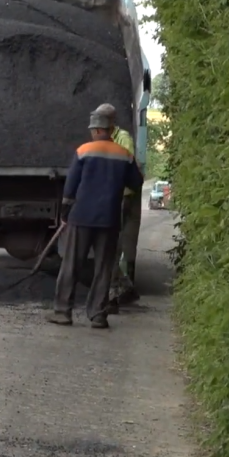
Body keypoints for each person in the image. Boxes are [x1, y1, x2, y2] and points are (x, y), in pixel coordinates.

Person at [49, 112, 143, 329]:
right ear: (111, 130)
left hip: (81, 216)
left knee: (71, 264)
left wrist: (64, 211)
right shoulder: (124, 154)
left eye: (92, 130)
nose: (91, 133)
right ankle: (98, 315)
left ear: (99, 130)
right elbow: (136, 182)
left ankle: (63, 312)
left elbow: (71, 186)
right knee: (103, 268)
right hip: (109, 219)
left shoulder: (84, 151)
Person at [92, 103, 143, 310]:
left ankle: (116, 292)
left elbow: (123, 168)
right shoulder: (106, 138)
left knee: (113, 247)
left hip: (122, 199)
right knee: (108, 247)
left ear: (111, 122)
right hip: (112, 197)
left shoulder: (123, 139)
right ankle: (120, 289)